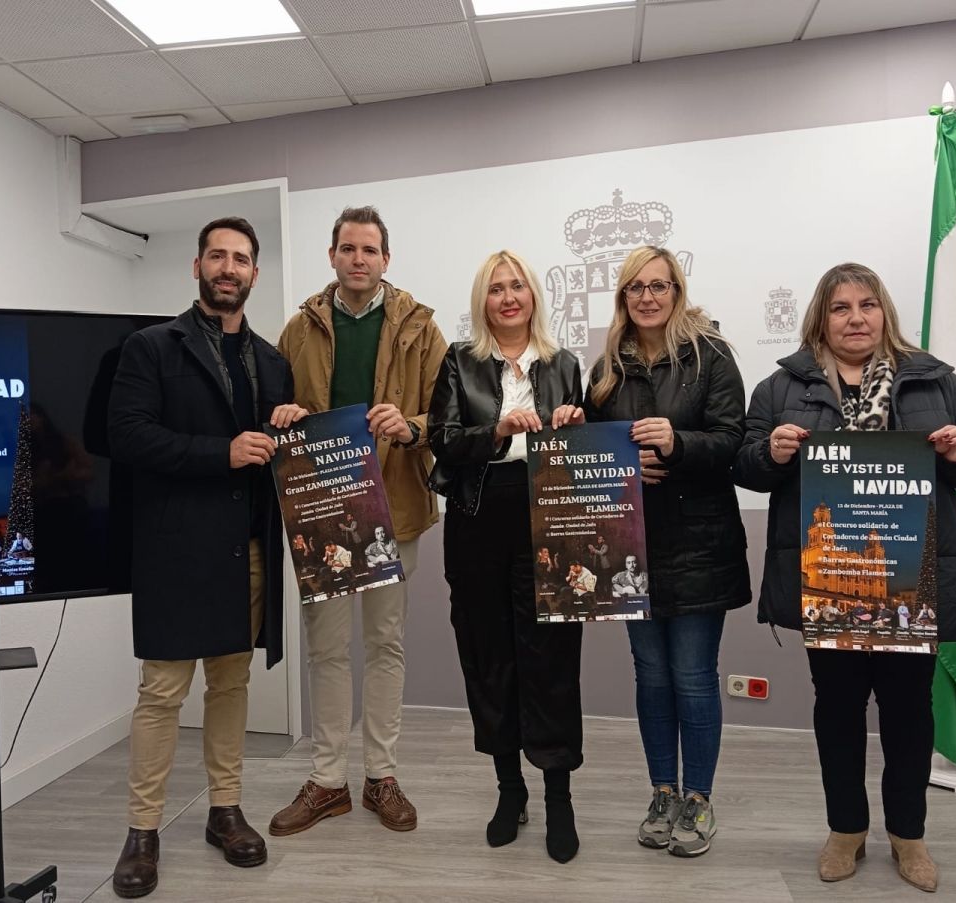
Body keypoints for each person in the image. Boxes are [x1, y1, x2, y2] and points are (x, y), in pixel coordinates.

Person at [733, 262, 956, 892]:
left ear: (885, 313)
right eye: (840, 308)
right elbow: (745, 462)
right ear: (821, 318)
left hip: (912, 578)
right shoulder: (780, 389)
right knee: (840, 709)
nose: (856, 318)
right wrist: (769, 452)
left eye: (867, 305)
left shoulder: (935, 379)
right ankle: (846, 829)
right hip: (830, 578)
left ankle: (909, 835)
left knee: (910, 711)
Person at [107, 217, 304, 898]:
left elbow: (278, 459)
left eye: (241, 258)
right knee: (162, 693)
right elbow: (126, 435)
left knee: (232, 684)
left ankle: (225, 809)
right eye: (217, 256)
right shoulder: (150, 348)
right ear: (196, 267)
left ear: (254, 273)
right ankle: (142, 830)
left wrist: (294, 429)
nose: (229, 267)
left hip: (245, 550)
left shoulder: (275, 362)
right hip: (172, 550)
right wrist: (218, 453)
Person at [272, 206, 446, 836]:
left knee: (385, 645)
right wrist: (284, 414)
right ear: (333, 256)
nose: (358, 259)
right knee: (324, 649)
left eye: (369, 250)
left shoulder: (422, 331)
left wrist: (413, 426)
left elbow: (444, 419)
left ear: (386, 259)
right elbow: (276, 410)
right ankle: (326, 781)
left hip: (394, 511)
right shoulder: (298, 330)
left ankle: (381, 776)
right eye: (347, 248)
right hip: (322, 514)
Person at [583, 245, 750, 858]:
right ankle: (662, 791)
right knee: (651, 677)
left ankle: (699, 799)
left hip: (700, 542)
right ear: (623, 298)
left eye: (660, 286)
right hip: (630, 549)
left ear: (677, 292)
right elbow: (592, 453)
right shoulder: (605, 370)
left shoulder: (711, 356)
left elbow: (735, 442)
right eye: (636, 288)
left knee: (692, 677)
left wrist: (677, 443)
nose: (648, 297)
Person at [428, 249, 585, 863]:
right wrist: (495, 431)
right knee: (488, 656)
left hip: (549, 516)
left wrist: (572, 420)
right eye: (496, 288)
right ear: (483, 301)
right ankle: (509, 789)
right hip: (478, 516)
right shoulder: (459, 362)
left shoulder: (565, 363)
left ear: (534, 296)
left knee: (550, 659)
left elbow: (587, 450)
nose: (508, 296)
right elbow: (441, 440)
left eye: (517, 285)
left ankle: (558, 796)